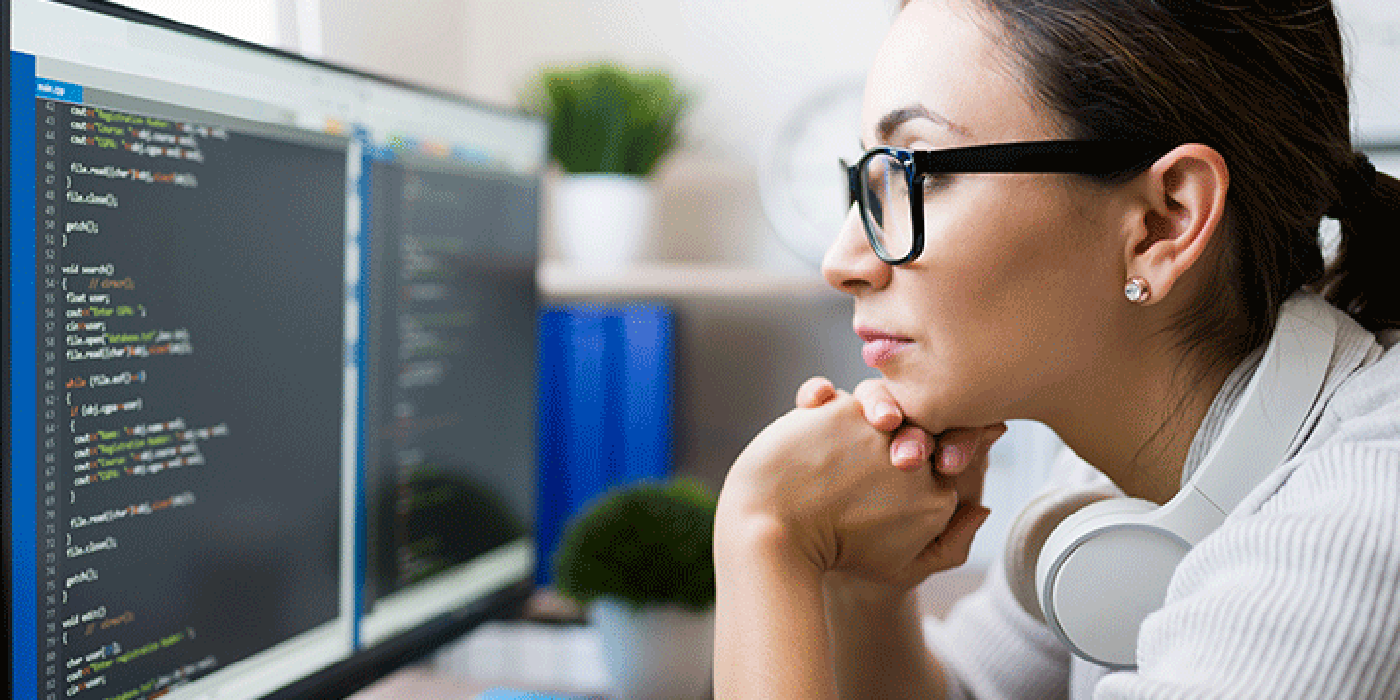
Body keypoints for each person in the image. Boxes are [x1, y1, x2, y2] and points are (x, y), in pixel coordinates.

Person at [713, 0, 1400, 697]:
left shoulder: (1347, 541)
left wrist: (765, 537)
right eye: (870, 179)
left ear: (1165, 222)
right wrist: (865, 585)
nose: (844, 259)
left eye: (916, 171)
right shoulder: (1114, 461)